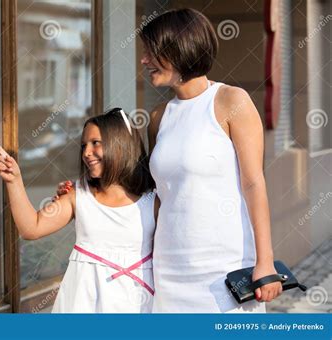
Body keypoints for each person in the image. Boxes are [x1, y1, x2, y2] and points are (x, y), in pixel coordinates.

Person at [58, 8, 282, 313]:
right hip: (168, 271)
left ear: (178, 50)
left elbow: (254, 183)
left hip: (224, 269)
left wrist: (265, 262)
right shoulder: (158, 118)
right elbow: (152, 194)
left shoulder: (231, 101)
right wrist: (86, 196)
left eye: (151, 52)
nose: (143, 60)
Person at [0, 108, 158, 313]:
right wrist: (14, 180)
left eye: (96, 143)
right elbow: (31, 228)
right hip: (83, 301)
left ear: (121, 144)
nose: (86, 153)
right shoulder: (79, 196)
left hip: (138, 302)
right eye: (84, 145)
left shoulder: (154, 200)